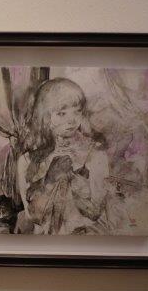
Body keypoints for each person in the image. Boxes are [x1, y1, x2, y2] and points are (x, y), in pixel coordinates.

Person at [15, 78, 109, 235]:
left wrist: (73, 178)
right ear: (45, 116)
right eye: (61, 113)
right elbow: (32, 216)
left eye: (77, 111)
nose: (72, 120)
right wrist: (49, 180)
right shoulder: (26, 161)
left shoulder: (95, 155)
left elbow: (95, 212)